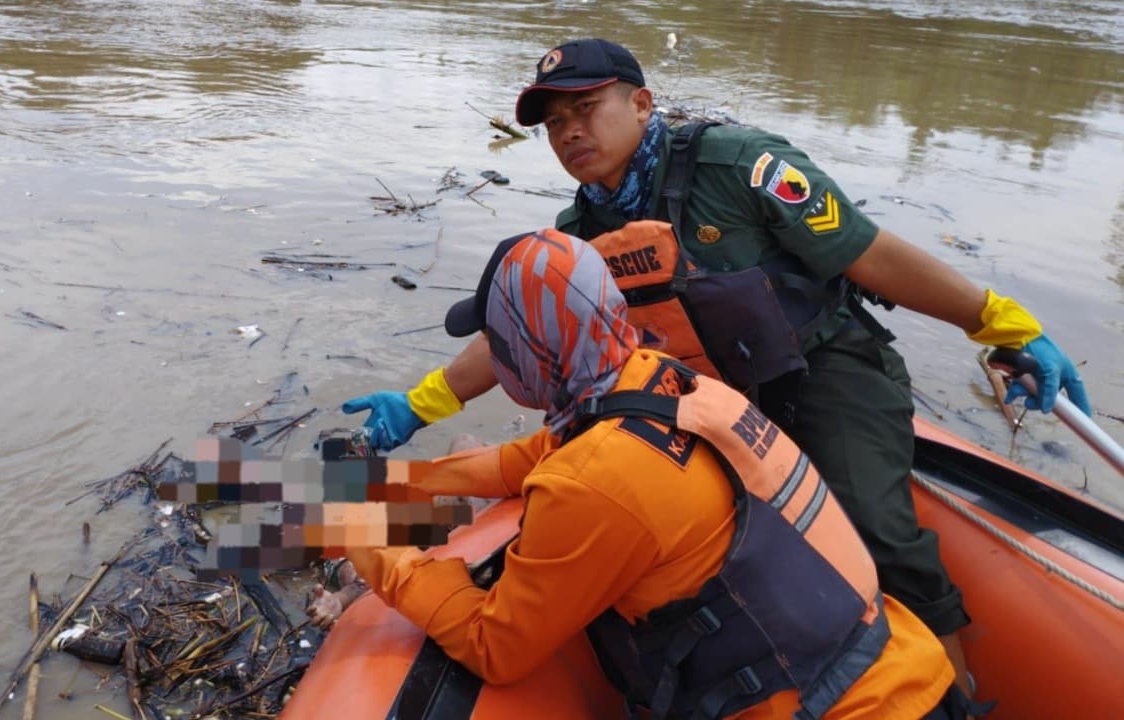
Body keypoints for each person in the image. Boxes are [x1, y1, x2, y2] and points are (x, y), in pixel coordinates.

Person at [338, 38, 1092, 701]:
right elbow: (523, 332)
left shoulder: (740, 169)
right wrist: (420, 402)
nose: (570, 132)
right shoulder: (583, 231)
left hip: (822, 368)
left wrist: (995, 320)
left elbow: (867, 254)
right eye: (554, 123)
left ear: (640, 102)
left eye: (586, 109)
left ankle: (950, 691)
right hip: (716, 399)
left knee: (877, 529)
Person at [327, 229, 974, 719]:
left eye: (501, 345)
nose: (493, 361)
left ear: (533, 351)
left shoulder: (596, 479)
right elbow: (534, 460)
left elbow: (496, 646)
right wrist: (399, 483)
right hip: (910, 677)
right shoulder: (671, 384)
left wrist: (370, 542)